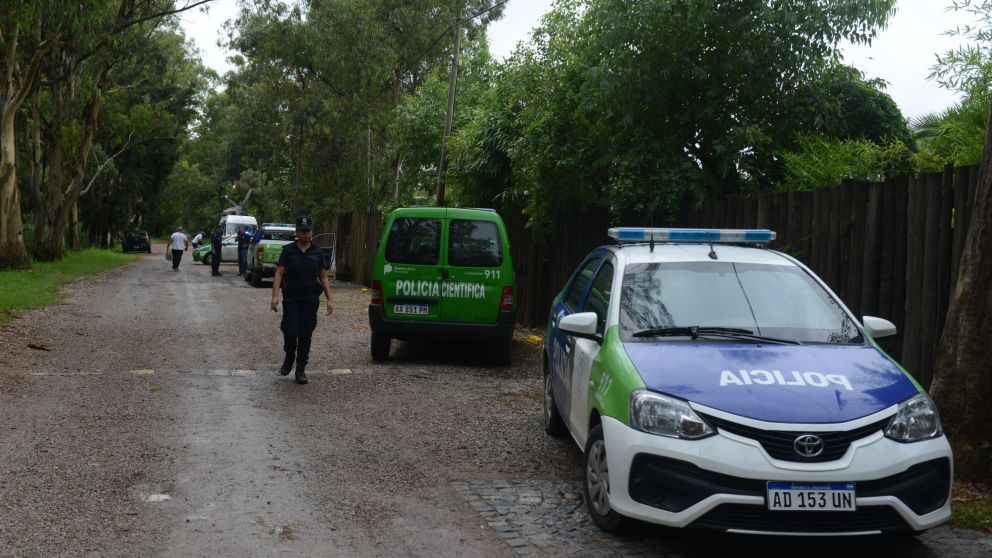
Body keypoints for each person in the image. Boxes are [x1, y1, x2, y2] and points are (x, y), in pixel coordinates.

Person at [270, 215, 333, 385]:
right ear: (297, 232)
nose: (306, 234)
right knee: (290, 330)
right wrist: (275, 296)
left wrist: (330, 299)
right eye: (303, 231)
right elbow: (279, 273)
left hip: (310, 299)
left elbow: (323, 277)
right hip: (291, 298)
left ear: (312, 232)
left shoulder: (318, 252)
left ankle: (300, 369)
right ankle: (289, 355)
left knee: (305, 334)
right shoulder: (288, 250)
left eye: (309, 231)